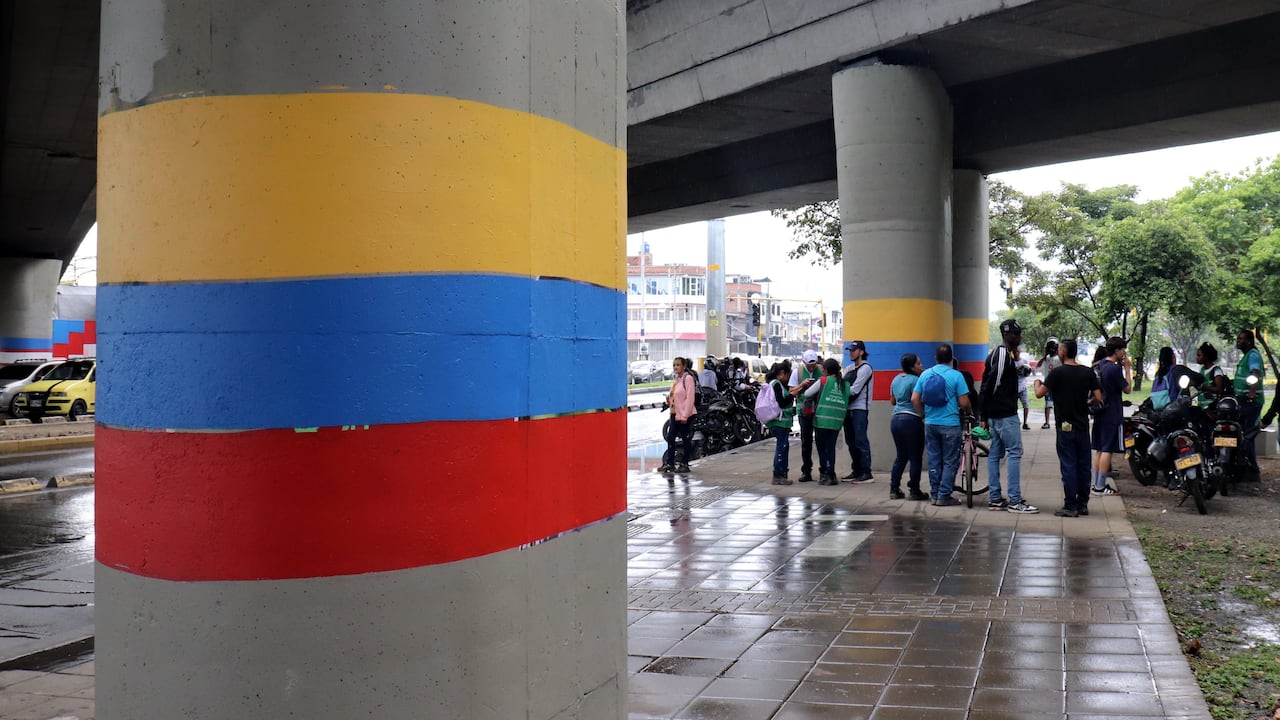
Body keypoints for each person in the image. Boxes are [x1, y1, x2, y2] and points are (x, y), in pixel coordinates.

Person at [1034, 339, 1101, 517]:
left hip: (1065, 427)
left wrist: (1036, 384)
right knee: (1083, 465)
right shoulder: (1088, 373)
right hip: (1082, 425)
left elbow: (1040, 394)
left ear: (1063, 352)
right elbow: (1098, 397)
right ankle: (1083, 504)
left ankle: (1070, 505)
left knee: (1069, 465)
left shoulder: (1057, 373)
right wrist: (1087, 403)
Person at [979, 318, 1039, 514]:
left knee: (995, 454)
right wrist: (984, 414)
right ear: (1007, 334)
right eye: (1016, 333)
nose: (1019, 337)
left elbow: (994, 381)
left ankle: (995, 498)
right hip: (1004, 414)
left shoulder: (1004, 355)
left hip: (997, 414)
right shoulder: (1003, 353)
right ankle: (1015, 500)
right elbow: (990, 384)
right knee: (1015, 452)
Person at [910, 344, 972, 507]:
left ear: (936, 358)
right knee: (951, 460)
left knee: (934, 459)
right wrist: (969, 413)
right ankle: (944, 495)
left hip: (930, 424)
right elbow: (964, 402)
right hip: (950, 424)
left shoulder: (925, 375)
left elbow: (914, 399)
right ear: (951, 359)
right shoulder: (956, 376)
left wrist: (923, 415)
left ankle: (935, 493)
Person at [1091, 337, 1131, 496]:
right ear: (1116, 350)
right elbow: (1127, 389)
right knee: (1108, 449)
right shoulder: (1114, 369)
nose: (1124, 352)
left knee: (1099, 449)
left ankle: (1096, 483)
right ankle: (1100, 486)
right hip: (1112, 412)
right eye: (1123, 349)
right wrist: (1127, 370)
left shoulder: (1099, 365)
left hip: (1099, 411)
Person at [888, 353, 929, 501]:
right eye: (918, 364)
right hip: (911, 420)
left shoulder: (896, 379)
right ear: (912, 367)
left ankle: (894, 489)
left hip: (895, 419)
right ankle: (914, 490)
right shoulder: (917, 381)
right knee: (915, 457)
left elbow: (893, 401)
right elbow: (916, 400)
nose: (921, 366)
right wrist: (922, 415)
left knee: (901, 456)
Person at [804, 358, 850, 485]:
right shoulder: (845, 384)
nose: (822, 371)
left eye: (823, 369)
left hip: (822, 420)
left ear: (827, 370)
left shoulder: (823, 380)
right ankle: (831, 473)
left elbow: (807, 393)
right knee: (831, 448)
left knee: (822, 448)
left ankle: (826, 473)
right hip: (836, 421)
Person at [1234, 330, 1266, 481]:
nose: (1238, 341)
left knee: (1247, 435)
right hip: (1242, 401)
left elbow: (1255, 372)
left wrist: (1253, 391)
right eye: (1238, 338)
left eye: (1241, 339)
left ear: (1249, 341)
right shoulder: (1247, 356)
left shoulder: (1253, 355)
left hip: (1251, 402)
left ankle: (1253, 470)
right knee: (1242, 434)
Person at [842, 340, 875, 482]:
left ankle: (866, 472)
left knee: (860, 440)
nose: (851, 352)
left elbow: (854, 390)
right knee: (851, 441)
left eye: (854, 350)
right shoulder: (849, 368)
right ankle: (856, 470)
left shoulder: (866, 368)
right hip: (848, 408)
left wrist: (842, 392)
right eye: (850, 350)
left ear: (861, 352)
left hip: (860, 408)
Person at [788, 350, 823, 482]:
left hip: (819, 409)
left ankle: (824, 470)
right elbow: (791, 390)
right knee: (806, 442)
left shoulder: (821, 370)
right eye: (809, 365)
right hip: (804, 411)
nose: (812, 367)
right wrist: (802, 385)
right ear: (804, 362)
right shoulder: (798, 372)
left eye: (814, 364)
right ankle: (806, 471)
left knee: (821, 441)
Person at [764, 363, 800, 485]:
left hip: (782, 422)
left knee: (783, 447)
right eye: (787, 374)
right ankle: (778, 475)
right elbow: (781, 402)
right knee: (782, 447)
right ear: (782, 374)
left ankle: (781, 474)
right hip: (779, 422)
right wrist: (792, 396)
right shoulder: (776, 384)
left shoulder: (775, 384)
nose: (788, 377)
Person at [660, 357, 697, 473]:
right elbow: (676, 395)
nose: (676, 367)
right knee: (671, 438)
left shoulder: (688, 379)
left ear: (684, 367)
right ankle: (669, 463)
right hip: (674, 414)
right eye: (674, 365)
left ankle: (684, 463)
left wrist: (685, 415)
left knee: (686, 439)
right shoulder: (677, 380)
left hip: (684, 415)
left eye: (678, 365)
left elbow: (690, 398)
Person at [1039, 338, 1062, 429]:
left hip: (1057, 384)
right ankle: (1047, 422)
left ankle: (1057, 420)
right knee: (1048, 404)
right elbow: (1039, 364)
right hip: (1048, 383)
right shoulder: (1047, 358)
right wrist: (1045, 355)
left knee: (1057, 403)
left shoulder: (1058, 358)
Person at [1016, 348, 1033, 430]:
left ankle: (1025, 423)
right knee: (1014, 406)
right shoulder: (1011, 362)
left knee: (1026, 405)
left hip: (1023, 387)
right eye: (1015, 352)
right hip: (1014, 387)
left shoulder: (1024, 361)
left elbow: (1028, 372)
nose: (1016, 353)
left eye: (1017, 352)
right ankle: (1017, 421)